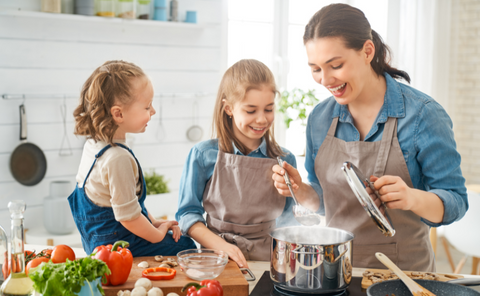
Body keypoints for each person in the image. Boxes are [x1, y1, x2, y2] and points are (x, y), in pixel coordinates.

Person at [272, 3, 467, 272]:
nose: (325, 80)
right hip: (335, 271)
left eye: (335, 65)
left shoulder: (423, 115)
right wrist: (302, 191)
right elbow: (326, 202)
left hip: (403, 275)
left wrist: (412, 198)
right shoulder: (320, 118)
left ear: (367, 51)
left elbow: (456, 203)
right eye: (316, 69)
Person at [176, 59, 298, 268]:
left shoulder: (285, 159)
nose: (261, 120)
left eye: (268, 109)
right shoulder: (203, 155)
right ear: (229, 108)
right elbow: (187, 215)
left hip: (270, 259)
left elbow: (290, 218)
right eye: (251, 111)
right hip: (216, 258)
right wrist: (220, 246)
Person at [69, 60, 196, 256]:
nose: (153, 111)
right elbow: (128, 218)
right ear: (118, 114)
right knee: (186, 246)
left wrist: (153, 222)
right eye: (147, 107)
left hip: (95, 243)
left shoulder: (93, 145)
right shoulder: (117, 158)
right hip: (118, 247)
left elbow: (127, 203)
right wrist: (157, 234)